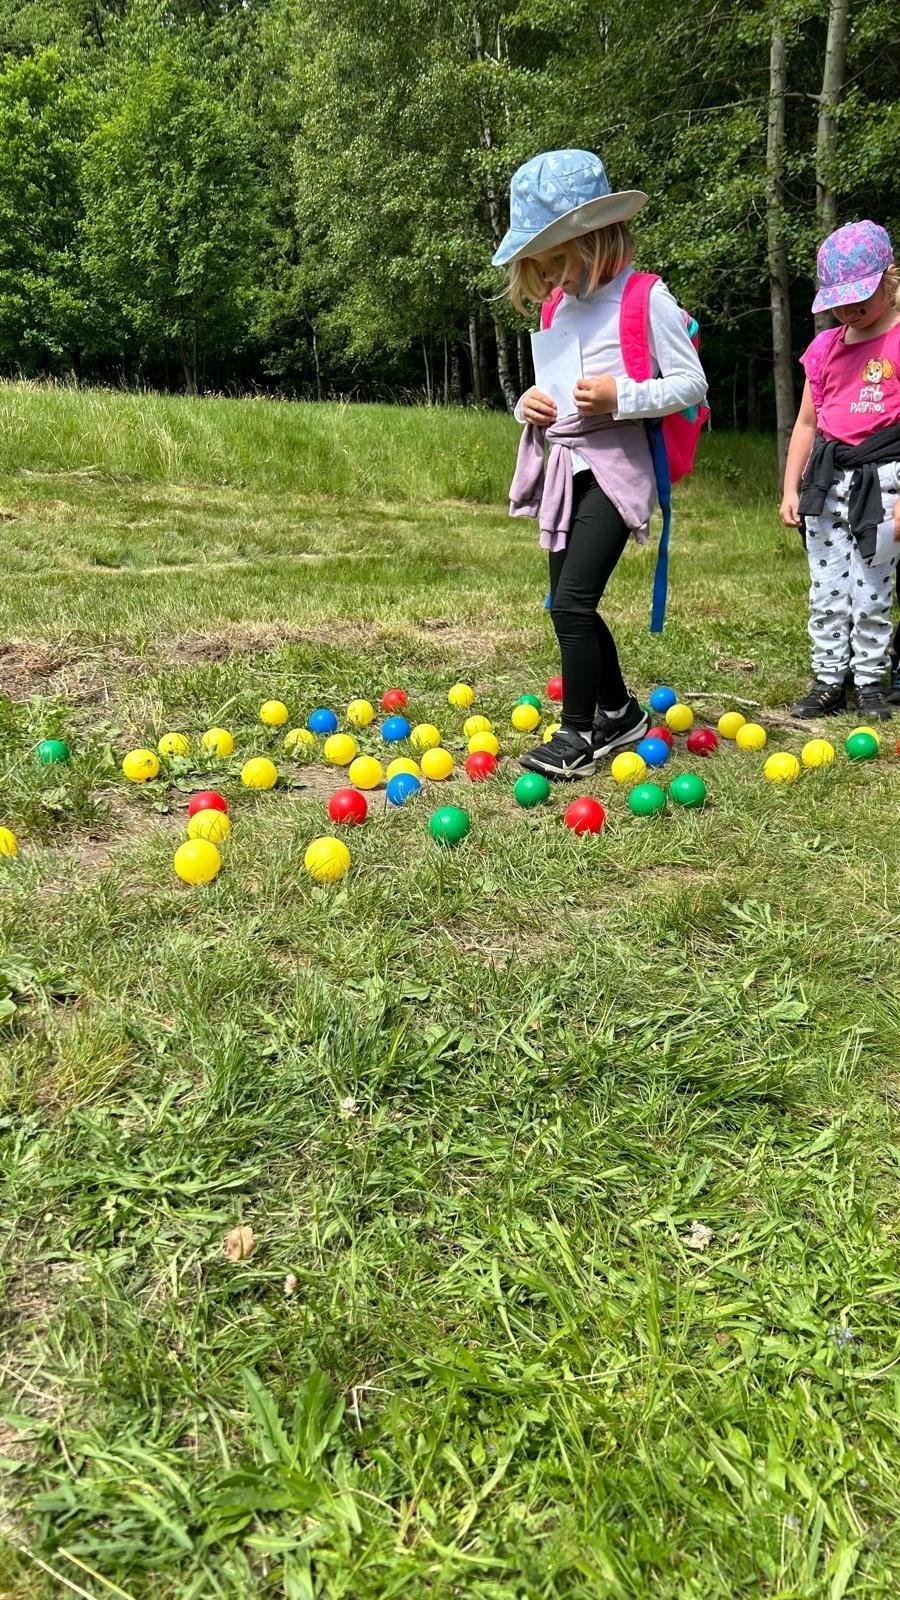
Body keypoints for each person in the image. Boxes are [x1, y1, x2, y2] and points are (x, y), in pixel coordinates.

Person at [492, 149, 708, 780]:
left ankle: (578, 735)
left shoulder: (646, 298)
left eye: (555, 262)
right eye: (540, 268)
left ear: (594, 239)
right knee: (568, 602)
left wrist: (622, 396)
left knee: (571, 605)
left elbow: (691, 384)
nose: (549, 279)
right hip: (568, 468)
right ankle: (621, 712)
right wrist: (527, 405)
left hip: (617, 470)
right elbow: (552, 391)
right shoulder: (557, 308)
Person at [780, 220, 900, 719]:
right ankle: (829, 678)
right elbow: (807, 423)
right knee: (827, 587)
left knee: (873, 587)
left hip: (884, 482)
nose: (849, 313)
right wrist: (791, 487)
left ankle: (870, 680)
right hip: (827, 483)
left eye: (860, 302)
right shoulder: (825, 348)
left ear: (889, 281)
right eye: (840, 304)